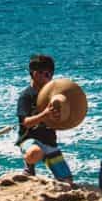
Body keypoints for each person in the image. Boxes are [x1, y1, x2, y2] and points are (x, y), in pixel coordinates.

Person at [17, 53, 72, 181]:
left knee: (67, 181)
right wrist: (44, 114)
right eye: (46, 74)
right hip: (29, 139)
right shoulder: (26, 96)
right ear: (35, 73)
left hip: (49, 141)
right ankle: (29, 167)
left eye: (50, 74)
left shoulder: (52, 94)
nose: (49, 78)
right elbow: (25, 123)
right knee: (35, 152)